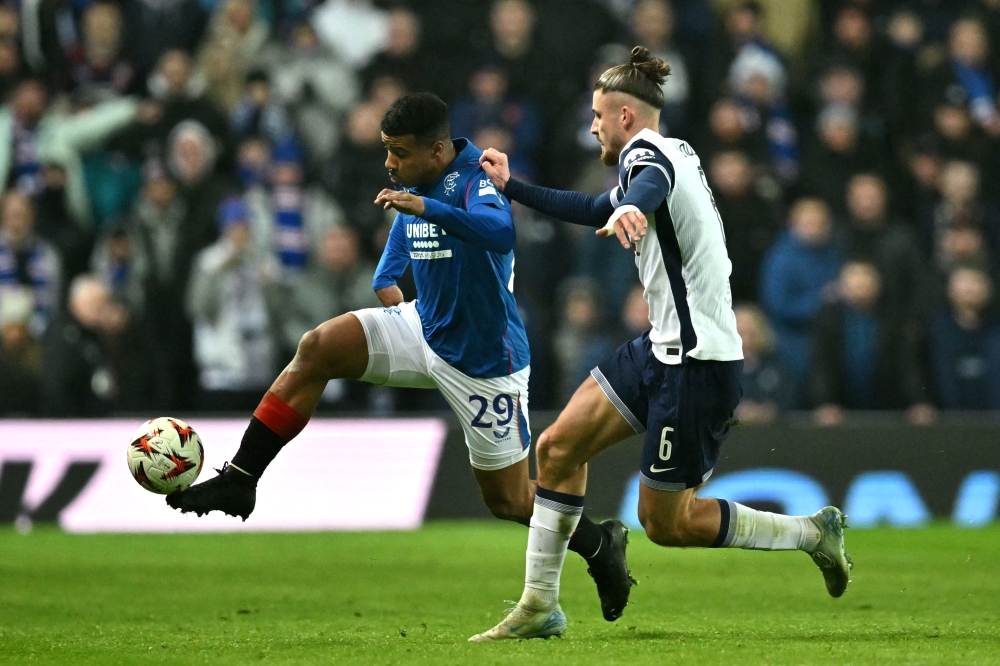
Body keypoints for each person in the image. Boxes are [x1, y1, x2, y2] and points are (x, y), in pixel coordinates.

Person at [164, 93, 630, 620]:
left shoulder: (475, 178)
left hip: (484, 362)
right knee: (318, 347)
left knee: (509, 501)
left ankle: (600, 547)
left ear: (436, 151)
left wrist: (428, 208)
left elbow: (501, 234)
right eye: (387, 150)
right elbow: (390, 267)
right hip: (423, 327)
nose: (390, 163)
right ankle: (242, 478)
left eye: (399, 152)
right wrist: (391, 288)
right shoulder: (413, 183)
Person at [470, 46, 852, 642]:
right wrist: (512, 187)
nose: (592, 126)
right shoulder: (668, 152)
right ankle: (539, 604)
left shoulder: (650, 157)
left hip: (697, 365)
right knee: (559, 448)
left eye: (598, 116)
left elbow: (649, 185)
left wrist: (633, 206)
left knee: (666, 523)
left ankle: (811, 533)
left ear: (626, 117)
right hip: (660, 348)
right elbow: (601, 204)